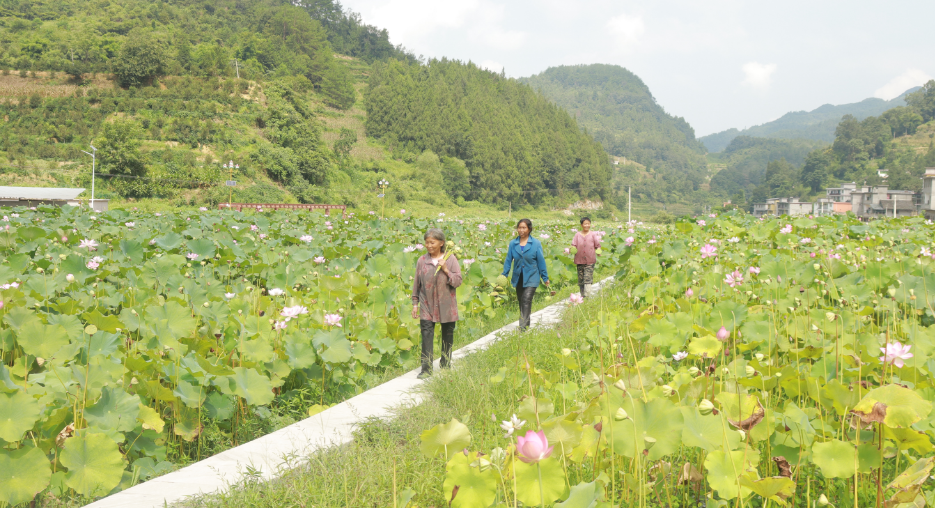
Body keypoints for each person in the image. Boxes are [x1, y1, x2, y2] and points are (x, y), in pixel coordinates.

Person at [411, 228, 462, 379]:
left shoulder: (450, 259)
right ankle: (426, 369)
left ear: (441, 243)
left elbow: (457, 281)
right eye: (426, 242)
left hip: (447, 304)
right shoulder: (422, 261)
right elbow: (417, 284)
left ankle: (445, 364)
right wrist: (415, 304)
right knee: (426, 335)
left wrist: (446, 269)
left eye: (432, 242)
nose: (429, 245)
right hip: (426, 303)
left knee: (447, 335)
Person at [501, 218, 549, 331]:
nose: (521, 230)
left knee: (526, 299)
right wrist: (504, 275)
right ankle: (526, 323)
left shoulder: (536, 243)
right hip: (518, 277)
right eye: (519, 227)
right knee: (521, 300)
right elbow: (508, 260)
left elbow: (541, 261)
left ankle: (522, 326)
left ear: (529, 229)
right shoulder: (513, 243)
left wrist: (545, 277)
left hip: (532, 275)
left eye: (524, 227)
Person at [571, 216, 600, 298]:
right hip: (579, 260)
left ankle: (587, 296)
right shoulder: (577, 235)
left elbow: (597, 245)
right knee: (581, 279)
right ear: (581, 225)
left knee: (587, 278)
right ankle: (582, 295)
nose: (587, 225)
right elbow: (573, 245)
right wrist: (569, 250)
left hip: (590, 260)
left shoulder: (593, 234)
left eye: (588, 224)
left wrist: (599, 251)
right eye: (585, 224)